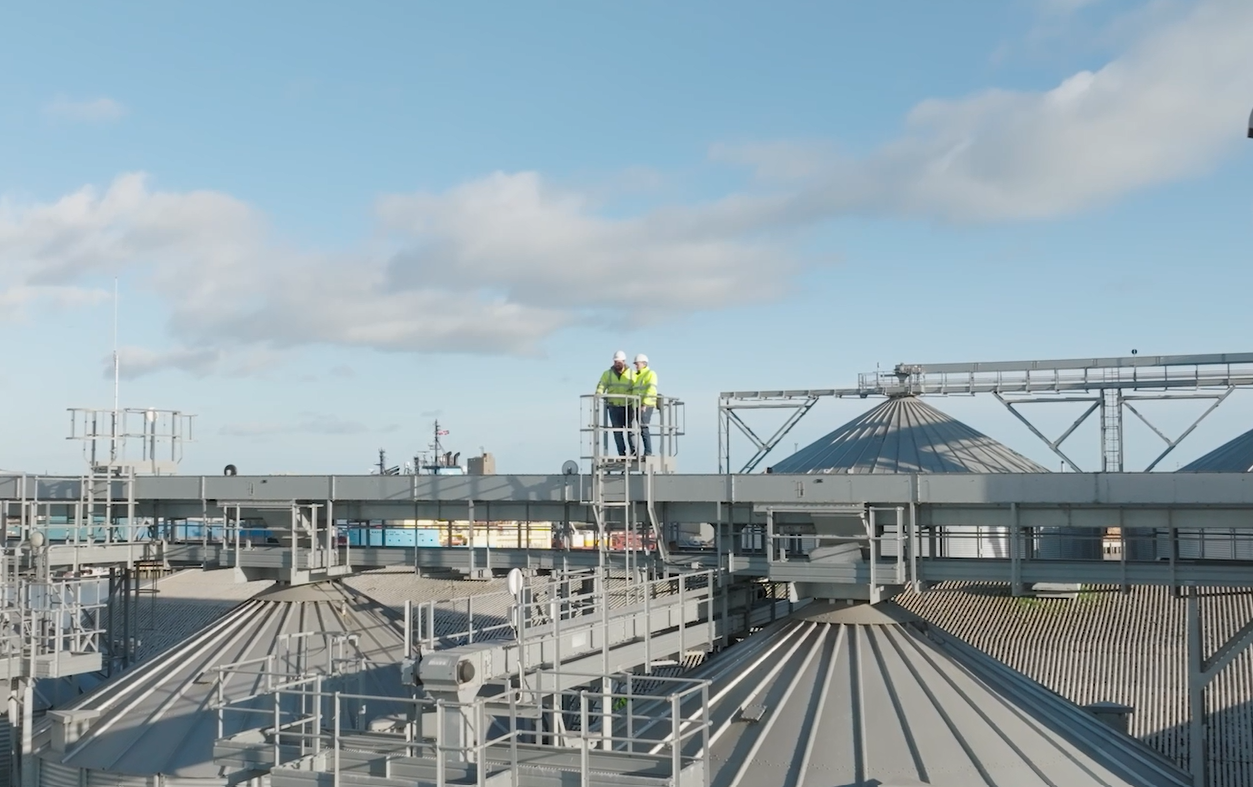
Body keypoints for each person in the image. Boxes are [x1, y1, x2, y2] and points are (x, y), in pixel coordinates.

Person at [596, 350, 636, 457]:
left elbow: (636, 389)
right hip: (614, 406)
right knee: (617, 432)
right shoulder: (607, 374)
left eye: (619, 362)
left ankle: (634, 453)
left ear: (624, 361)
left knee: (631, 430)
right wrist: (598, 393)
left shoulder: (632, 374)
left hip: (628, 406)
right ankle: (622, 454)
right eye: (615, 362)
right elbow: (602, 385)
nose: (617, 364)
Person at [633, 354, 657, 457]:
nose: (636, 366)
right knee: (641, 429)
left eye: (637, 364)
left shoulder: (650, 374)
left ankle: (648, 452)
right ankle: (644, 452)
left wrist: (645, 403)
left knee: (644, 428)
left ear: (644, 363)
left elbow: (651, 389)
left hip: (646, 405)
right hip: (638, 405)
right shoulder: (638, 376)